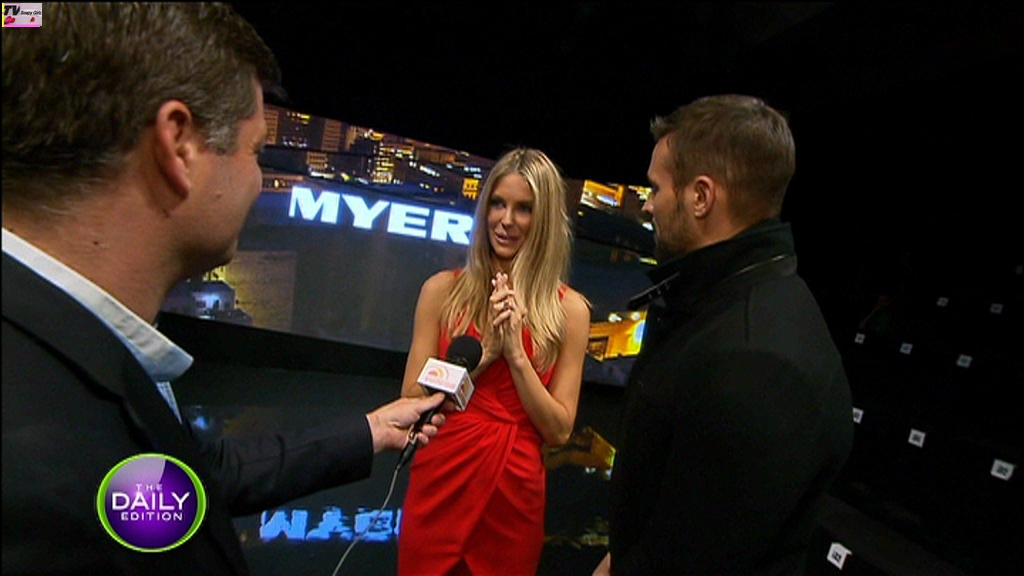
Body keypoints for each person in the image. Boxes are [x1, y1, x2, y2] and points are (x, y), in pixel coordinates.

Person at [1, 4, 446, 574]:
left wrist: (371, 430)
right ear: (180, 145)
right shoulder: (34, 471)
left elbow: (194, 474)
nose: (260, 180)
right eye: (256, 151)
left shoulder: (68, 358)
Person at [594, 95, 854, 575]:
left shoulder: (756, 363)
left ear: (701, 197)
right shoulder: (721, 301)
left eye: (656, 188)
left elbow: (694, 555)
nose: (648, 204)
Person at [397, 148, 592, 575]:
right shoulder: (441, 292)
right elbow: (411, 397)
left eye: (524, 209)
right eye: (498, 204)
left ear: (545, 220)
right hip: (441, 476)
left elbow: (559, 429)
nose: (506, 220)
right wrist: (484, 354)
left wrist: (517, 355)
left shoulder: (570, 312)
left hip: (514, 492)